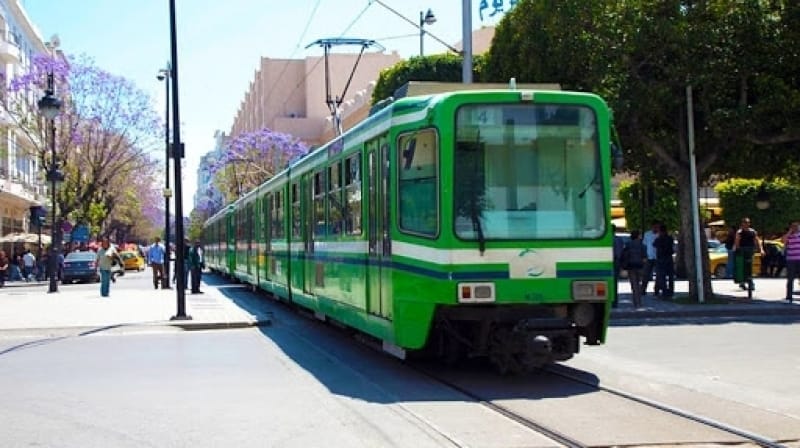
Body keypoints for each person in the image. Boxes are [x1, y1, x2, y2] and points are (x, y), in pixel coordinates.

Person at [734, 217, 764, 291]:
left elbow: (757, 241)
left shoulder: (752, 231)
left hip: (750, 251)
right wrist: (737, 250)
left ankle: (750, 283)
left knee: (749, 267)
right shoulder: (739, 232)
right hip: (742, 251)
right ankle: (743, 282)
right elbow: (737, 242)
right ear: (742, 223)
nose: (746, 224)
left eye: (748, 223)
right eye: (745, 223)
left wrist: (761, 250)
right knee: (742, 267)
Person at [623, 230, 646, 309]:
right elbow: (645, 257)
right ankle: (639, 301)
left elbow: (624, 255)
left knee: (634, 285)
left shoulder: (628, 244)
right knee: (639, 284)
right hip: (640, 266)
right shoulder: (642, 245)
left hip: (631, 266)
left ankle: (636, 301)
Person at [653, 223, 675, 298]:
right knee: (670, 276)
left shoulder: (659, 239)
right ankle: (671, 291)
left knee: (662, 276)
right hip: (669, 258)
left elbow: (654, 244)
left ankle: (665, 291)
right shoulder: (670, 238)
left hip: (661, 259)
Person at [781, 220, 800, 303]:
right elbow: (783, 240)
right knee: (790, 279)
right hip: (791, 259)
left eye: (797, 226)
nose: (795, 227)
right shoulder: (789, 236)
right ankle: (789, 296)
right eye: (793, 226)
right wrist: (789, 232)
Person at [641, 221, 660, 296]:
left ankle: (656, 290)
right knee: (646, 274)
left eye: (657, 227)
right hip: (649, 257)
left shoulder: (660, 235)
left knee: (658, 275)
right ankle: (643, 289)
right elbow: (644, 245)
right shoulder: (647, 234)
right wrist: (644, 256)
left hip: (658, 257)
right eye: (655, 227)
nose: (656, 228)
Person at [612, 225, 625, 308]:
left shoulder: (610, 239)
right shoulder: (619, 239)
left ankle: (612, 301)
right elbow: (621, 251)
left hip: (610, 261)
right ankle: (615, 301)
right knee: (615, 282)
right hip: (617, 261)